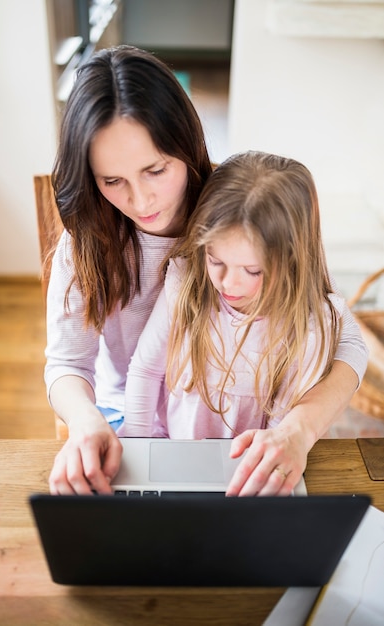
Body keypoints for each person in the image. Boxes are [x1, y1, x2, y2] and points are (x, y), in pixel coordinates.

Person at [46, 45, 367, 496]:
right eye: (112, 180)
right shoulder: (88, 238)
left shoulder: (237, 211)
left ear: (187, 143)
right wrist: (84, 421)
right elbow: (66, 362)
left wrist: (300, 428)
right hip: (124, 416)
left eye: (156, 170)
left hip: (237, 430)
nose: (141, 202)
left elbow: (346, 341)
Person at [121, 150, 356, 495]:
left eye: (252, 270)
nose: (228, 283)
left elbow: (280, 428)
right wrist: (137, 454)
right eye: (215, 260)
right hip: (172, 454)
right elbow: (145, 370)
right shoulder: (184, 285)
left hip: (246, 471)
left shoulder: (307, 327)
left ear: (291, 260)